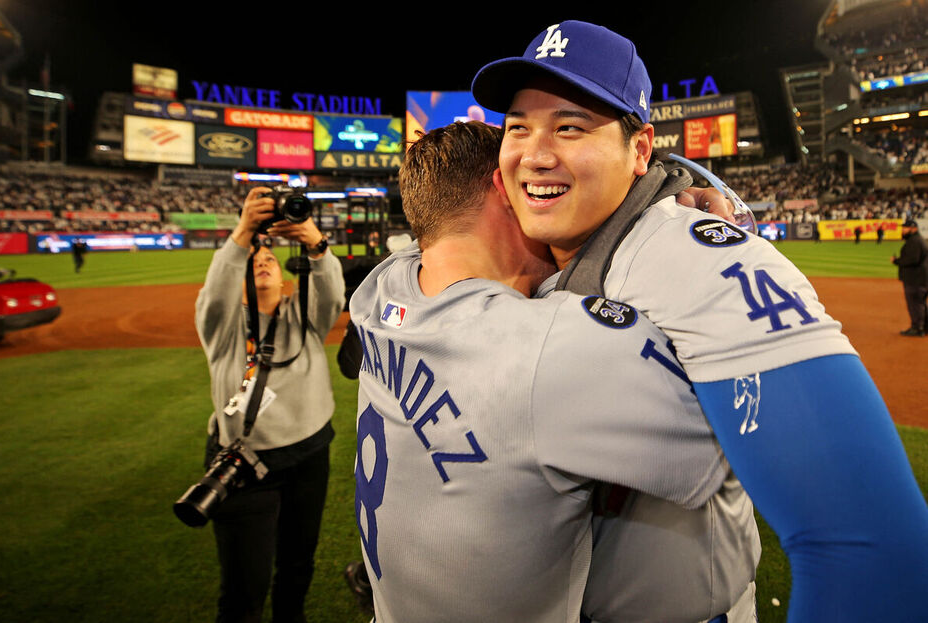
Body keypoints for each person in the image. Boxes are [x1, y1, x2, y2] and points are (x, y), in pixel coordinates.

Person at [472, 20, 928, 622]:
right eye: (517, 128)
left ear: (639, 150)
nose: (534, 153)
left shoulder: (700, 263)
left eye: (570, 127)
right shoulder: (513, 254)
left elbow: (875, 551)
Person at [349, 120, 732, 622]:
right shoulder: (549, 347)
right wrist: (715, 206)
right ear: (505, 192)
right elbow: (735, 446)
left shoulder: (380, 291)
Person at [194, 186, 345, 623]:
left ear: (284, 278)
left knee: (297, 568)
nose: (262, 262)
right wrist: (243, 232)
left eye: (270, 261)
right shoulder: (222, 328)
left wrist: (315, 242)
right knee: (245, 590)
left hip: (307, 457)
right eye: (253, 261)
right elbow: (215, 294)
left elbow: (331, 295)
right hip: (243, 467)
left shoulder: (305, 317)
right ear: (239, 276)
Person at [892, 218, 928, 337]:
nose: (903, 230)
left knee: (915, 304)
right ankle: (924, 327)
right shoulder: (918, 240)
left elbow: (912, 260)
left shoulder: (914, 242)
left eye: (905, 228)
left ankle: (917, 328)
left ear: (914, 229)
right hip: (921, 278)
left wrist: (897, 261)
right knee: (920, 303)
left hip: (915, 279)